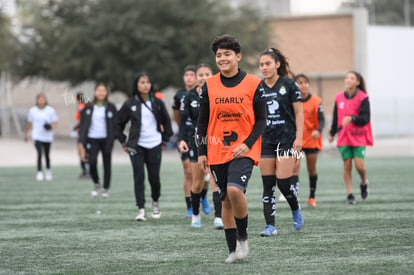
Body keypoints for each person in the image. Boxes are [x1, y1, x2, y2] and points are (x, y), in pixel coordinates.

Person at [197, 34, 266, 263]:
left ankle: (243, 238)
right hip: (216, 150)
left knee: (235, 190)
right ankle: (231, 250)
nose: (222, 58)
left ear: (238, 56)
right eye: (219, 55)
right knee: (224, 199)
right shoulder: (208, 85)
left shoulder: (254, 84)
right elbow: (202, 122)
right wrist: (201, 152)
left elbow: (261, 121)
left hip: (244, 150)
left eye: (227, 54)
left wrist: (247, 144)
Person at [258, 48, 304, 237]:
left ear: (277, 64)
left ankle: (295, 208)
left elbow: (299, 113)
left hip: (287, 141)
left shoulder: (289, 84)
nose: (264, 68)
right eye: (261, 65)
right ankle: (270, 226)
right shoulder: (258, 87)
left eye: (268, 63)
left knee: (283, 183)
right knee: (267, 184)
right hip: (267, 141)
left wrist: (299, 138)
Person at [117, 72, 172, 221]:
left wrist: (164, 141)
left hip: (155, 145)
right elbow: (117, 123)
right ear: (136, 85)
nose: (145, 85)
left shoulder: (158, 102)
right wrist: (124, 142)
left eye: (148, 82)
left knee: (154, 178)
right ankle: (141, 209)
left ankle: (155, 202)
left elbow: (167, 123)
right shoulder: (130, 104)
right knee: (139, 177)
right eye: (142, 82)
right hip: (136, 147)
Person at [178, 63, 223, 229]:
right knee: (196, 183)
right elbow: (183, 122)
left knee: (215, 181)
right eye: (201, 74)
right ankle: (195, 214)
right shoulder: (189, 97)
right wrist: (181, 139)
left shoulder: (218, 93)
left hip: (215, 142)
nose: (204, 77)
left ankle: (219, 217)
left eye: (207, 74)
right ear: (196, 77)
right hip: (196, 142)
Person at [328, 71, 373, 205]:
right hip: (344, 137)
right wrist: (332, 133)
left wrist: (352, 119)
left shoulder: (363, 98)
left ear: (357, 82)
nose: (348, 80)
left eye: (352, 78)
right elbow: (336, 117)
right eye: (347, 77)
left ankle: (364, 182)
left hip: (358, 137)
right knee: (347, 165)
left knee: (359, 166)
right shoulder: (339, 97)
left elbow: (366, 119)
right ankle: (349, 195)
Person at [79, 83, 117, 198]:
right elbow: (83, 126)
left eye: (103, 90)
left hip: (106, 140)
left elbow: (116, 125)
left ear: (106, 93)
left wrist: (114, 137)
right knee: (92, 162)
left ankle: (105, 188)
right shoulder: (88, 107)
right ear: (95, 92)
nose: (101, 92)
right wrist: (81, 142)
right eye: (99, 90)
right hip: (92, 139)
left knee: (107, 164)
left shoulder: (111, 107)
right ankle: (96, 183)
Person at [292, 74, 325, 208]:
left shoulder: (316, 101)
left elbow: (322, 119)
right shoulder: (292, 101)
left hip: (311, 139)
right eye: (300, 83)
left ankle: (312, 197)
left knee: (311, 169)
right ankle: (295, 196)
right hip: (297, 139)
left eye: (305, 82)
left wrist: (318, 130)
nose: (303, 85)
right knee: (295, 167)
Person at [172, 65, 197, 218]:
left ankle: (202, 197)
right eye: (186, 75)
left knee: (203, 173)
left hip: (200, 137)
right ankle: (190, 205)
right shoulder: (179, 95)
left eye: (191, 75)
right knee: (188, 172)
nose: (189, 77)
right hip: (185, 137)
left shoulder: (202, 93)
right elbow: (177, 116)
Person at [24, 93, 58, 181]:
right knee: (39, 153)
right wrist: (26, 134)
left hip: (47, 136)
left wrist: (50, 127)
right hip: (37, 136)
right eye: (39, 99)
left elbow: (55, 123)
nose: (41, 101)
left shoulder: (50, 110)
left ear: (46, 100)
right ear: (36, 101)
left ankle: (48, 170)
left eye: (43, 99)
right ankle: (39, 172)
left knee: (47, 154)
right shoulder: (33, 110)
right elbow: (29, 123)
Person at [73, 92, 90, 179]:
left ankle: (86, 171)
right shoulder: (87, 106)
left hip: (82, 133)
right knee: (86, 152)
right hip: (86, 133)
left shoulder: (81, 108)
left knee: (82, 152)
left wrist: (75, 127)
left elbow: (81, 121)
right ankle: (87, 171)